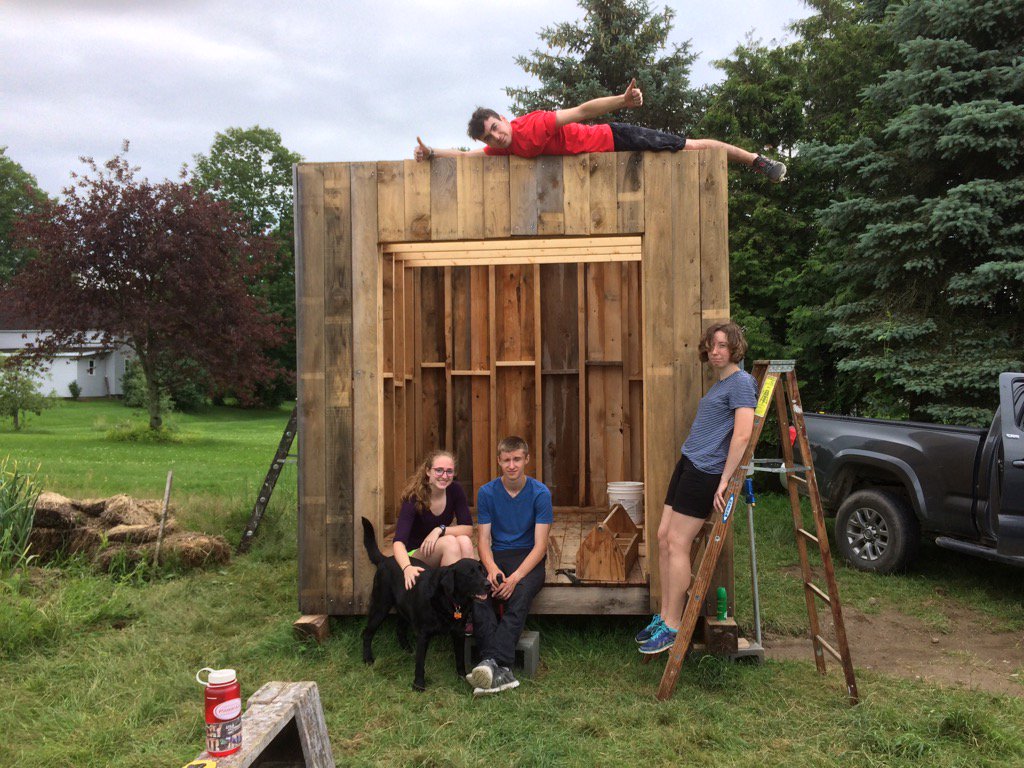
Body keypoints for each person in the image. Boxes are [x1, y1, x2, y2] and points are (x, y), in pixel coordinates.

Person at [635, 322, 757, 654]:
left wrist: (724, 479)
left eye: (722, 346)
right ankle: (664, 617)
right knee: (663, 537)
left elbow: (743, 435)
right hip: (688, 464)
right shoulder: (721, 384)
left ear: (735, 348)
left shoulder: (742, 382)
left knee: (678, 543)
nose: (715, 352)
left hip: (706, 472)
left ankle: (674, 626)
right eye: (712, 346)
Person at [413, 78, 787, 183]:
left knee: (686, 146)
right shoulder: (503, 148)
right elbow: (466, 156)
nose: (496, 137)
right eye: (489, 137)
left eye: (496, 128)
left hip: (612, 140)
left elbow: (581, 111)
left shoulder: (533, 124)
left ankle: (756, 160)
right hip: (596, 166)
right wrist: (431, 153)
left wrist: (622, 101)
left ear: (504, 118)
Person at [465, 436, 552, 696]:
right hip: (498, 556)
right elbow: (483, 541)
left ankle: (491, 662)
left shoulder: (540, 493)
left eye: (516, 459)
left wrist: (514, 578)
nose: (511, 465)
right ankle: (499, 669)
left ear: (526, 459)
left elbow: (540, 547)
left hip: (528, 558)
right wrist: (492, 569)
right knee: (481, 592)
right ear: (499, 462)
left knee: (520, 593)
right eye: (506, 460)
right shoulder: (487, 492)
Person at [392, 450, 475, 592]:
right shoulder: (414, 497)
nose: (444, 476)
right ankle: (448, 596)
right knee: (450, 543)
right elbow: (398, 542)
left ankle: (470, 592)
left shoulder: (455, 490)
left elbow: (468, 529)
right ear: (428, 471)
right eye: (439, 470)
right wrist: (407, 567)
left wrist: (439, 530)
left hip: (438, 548)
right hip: (415, 554)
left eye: (449, 471)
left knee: (464, 541)